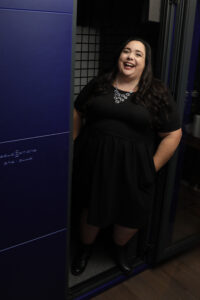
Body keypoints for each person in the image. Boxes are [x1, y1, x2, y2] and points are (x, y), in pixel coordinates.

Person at [71, 37, 182, 276]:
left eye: (138, 54)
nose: (130, 57)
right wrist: (74, 142)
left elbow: (173, 134)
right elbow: (77, 110)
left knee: (131, 214)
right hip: (96, 164)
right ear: (120, 56)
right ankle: (85, 250)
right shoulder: (101, 82)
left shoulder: (157, 91)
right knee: (92, 211)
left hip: (135, 168)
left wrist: (151, 168)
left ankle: (119, 250)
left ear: (146, 63)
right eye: (126, 51)